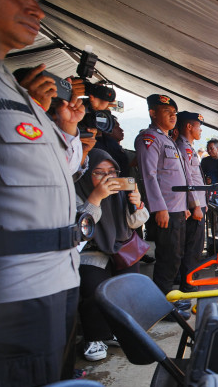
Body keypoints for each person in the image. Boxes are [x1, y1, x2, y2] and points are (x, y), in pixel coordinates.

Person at [0, 0, 89, 387]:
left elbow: (61, 168)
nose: (34, 7)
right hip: (15, 300)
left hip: (56, 281)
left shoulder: (15, 89)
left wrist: (65, 126)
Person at [75, 149, 149, 361]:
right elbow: (82, 228)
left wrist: (137, 203)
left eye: (112, 171)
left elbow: (135, 223)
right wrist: (96, 197)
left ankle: (117, 330)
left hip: (122, 248)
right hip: (91, 250)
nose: (108, 178)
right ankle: (94, 336)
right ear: (86, 174)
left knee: (128, 285)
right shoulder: (77, 190)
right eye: (99, 172)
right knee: (93, 286)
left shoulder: (122, 193)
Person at [136, 94, 196, 307]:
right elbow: (149, 175)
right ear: (152, 113)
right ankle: (160, 304)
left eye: (174, 113)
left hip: (177, 209)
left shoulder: (167, 140)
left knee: (176, 256)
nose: (172, 116)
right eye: (167, 112)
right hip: (165, 210)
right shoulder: (149, 139)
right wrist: (159, 207)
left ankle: (168, 300)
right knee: (168, 259)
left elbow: (176, 176)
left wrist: (186, 206)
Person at [174, 111, 207, 292]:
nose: (200, 130)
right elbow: (187, 180)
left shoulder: (189, 147)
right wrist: (195, 206)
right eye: (199, 127)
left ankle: (188, 280)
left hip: (198, 203)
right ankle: (189, 285)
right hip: (193, 206)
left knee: (194, 246)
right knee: (193, 247)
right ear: (189, 127)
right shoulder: (182, 148)